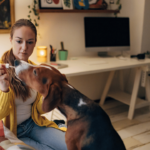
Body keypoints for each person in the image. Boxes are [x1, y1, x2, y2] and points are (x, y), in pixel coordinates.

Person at [0, 19, 68, 150]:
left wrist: (47, 94)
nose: (24, 48)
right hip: (13, 133)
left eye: (29, 42)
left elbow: (38, 109)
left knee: (70, 146)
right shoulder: (1, 70)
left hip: (35, 125)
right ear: (11, 40)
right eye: (19, 41)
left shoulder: (35, 70)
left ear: (35, 43)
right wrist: (4, 89)